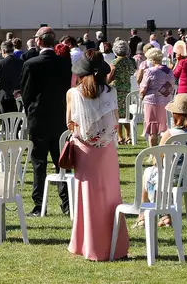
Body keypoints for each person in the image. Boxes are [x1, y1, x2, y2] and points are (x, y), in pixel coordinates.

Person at [66, 50, 127, 261]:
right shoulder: (111, 92)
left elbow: (69, 122)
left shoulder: (73, 93)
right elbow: (116, 120)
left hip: (84, 149)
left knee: (87, 197)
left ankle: (86, 244)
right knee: (110, 197)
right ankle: (114, 246)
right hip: (107, 149)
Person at [20, 26, 71, 217]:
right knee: (62, 163)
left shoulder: (32, 64)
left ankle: (39, 205)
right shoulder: (65, 64)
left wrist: (30, 113)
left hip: (39, 119)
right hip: (59, 118)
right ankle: (67, 203)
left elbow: (26, 95)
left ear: (39, 41)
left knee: (39, 164)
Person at [137, 93, 187, 227]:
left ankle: (144, 214)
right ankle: (166, 215)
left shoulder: (172, 134)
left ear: (176, 114)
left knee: (149, 173)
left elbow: (157, 159)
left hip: (174, 178)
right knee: (163, 174)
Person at [138, 47, 175, 146]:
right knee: (165, 129)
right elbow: (172, 86)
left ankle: (153, 154)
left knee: (152, 130)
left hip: (152, 102)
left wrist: (141, 94)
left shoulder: (150, 71)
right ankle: (163, 152)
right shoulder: (170, 71)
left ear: (152, 60)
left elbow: (143, 88)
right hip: (166, 102)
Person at [106, 40, 136, 144]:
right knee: (126, 113)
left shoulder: (115, 62)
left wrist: (106, 81)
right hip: (127, 88)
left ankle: (120, 137)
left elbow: (110, 76)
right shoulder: (130, 61)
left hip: (116, 90)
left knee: (116, 113)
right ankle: (128, 136)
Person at [0, 40, 23, 113]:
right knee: (17, 120)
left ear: (3, 51)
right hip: (19, 96)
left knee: (5, 121)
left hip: (5, 97)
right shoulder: (21, 62)